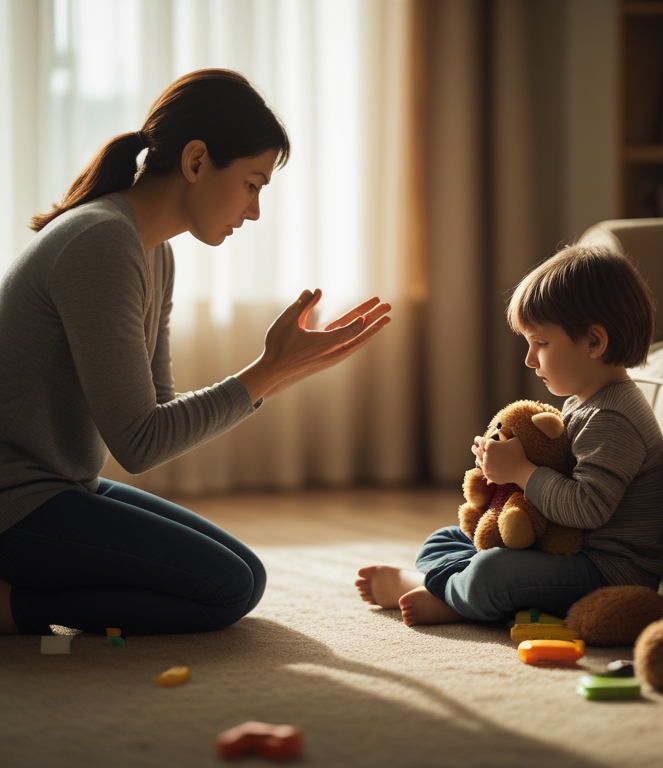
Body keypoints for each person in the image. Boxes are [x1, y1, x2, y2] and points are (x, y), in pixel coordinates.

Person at [0, 69, 390, 637]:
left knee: (246, 576)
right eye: (253, 184)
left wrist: (279, 373)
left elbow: (158, 414)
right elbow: (139, 444)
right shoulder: (101, 241)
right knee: (225, 588)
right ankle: (14, 608)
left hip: (62, 486)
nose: (254, 211)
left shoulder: (152, 251)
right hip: (14, 502)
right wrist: (266, 370)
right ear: (197, 161)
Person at [356, 244, 663, 626]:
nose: (529, 358)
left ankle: (430, 588)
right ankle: (454, 591)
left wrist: (522, 471)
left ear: (594, 342)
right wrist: (503, 467)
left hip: (605, 571)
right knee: (444, 539)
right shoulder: (586, 403)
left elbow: (586, 508)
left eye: (541, 343)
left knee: (492, 573)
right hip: (567, 551)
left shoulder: (613, 419)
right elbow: (558, 473)